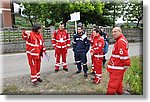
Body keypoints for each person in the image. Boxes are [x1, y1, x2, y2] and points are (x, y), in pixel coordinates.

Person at [106, 27, 130, 95]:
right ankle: (120, 94)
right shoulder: (120, 40)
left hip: (117, 68)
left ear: (120, 32)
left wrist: (126, 63)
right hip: (117, 67)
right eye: (112, 32)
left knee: (112, 85)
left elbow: (123, 55)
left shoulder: (120, 41)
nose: (113, 33)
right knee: (119, 83)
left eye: (115, 31)